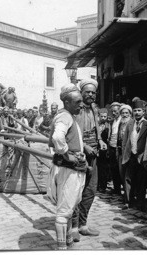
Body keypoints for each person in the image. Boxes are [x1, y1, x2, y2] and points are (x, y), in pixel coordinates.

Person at [46, 84, 87, 250]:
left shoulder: (68, 115)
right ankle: (62, 248)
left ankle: (68, 242)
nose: (81, 105)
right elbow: (57, 137)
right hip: (67, 169)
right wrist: (66, 153)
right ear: (67, 102)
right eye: (77, 102)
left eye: (81, 101)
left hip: (71, 168)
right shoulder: (66, 116)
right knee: (64, 211)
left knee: (69, 207)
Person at [70, 79, 106, 241]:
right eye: (87, 92)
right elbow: (72, 134)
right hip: (78, 155)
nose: (91, 95)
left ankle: (83, 225)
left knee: (90, 190)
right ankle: (73, 227)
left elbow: (96, 128)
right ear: (81, 93)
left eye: (93, 92)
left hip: (94, 154)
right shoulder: (75, 110)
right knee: (76, 191)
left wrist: (100, 141)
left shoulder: (94, 109)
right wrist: (84, 146)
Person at [120, 100, 147, 210]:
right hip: (130, 155)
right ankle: (128, 201)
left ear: (143, 111)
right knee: (128, 178)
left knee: (141, 180)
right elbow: (125, 140)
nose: (137, 113)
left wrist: (144, 156)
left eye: (139, 110)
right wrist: (124, 155)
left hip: (141, 156)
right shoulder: (130, 123)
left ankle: (140, 202)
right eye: (135, 111)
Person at [108, 102, 122, 194]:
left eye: (116, 111)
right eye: (112, 111)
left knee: (119, 168)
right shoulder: (112, 121)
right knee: (113, 168)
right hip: (112, 147)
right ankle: (116, 188)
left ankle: (122, 188)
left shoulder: (122, 120)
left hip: (118, 147)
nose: (114, 113)